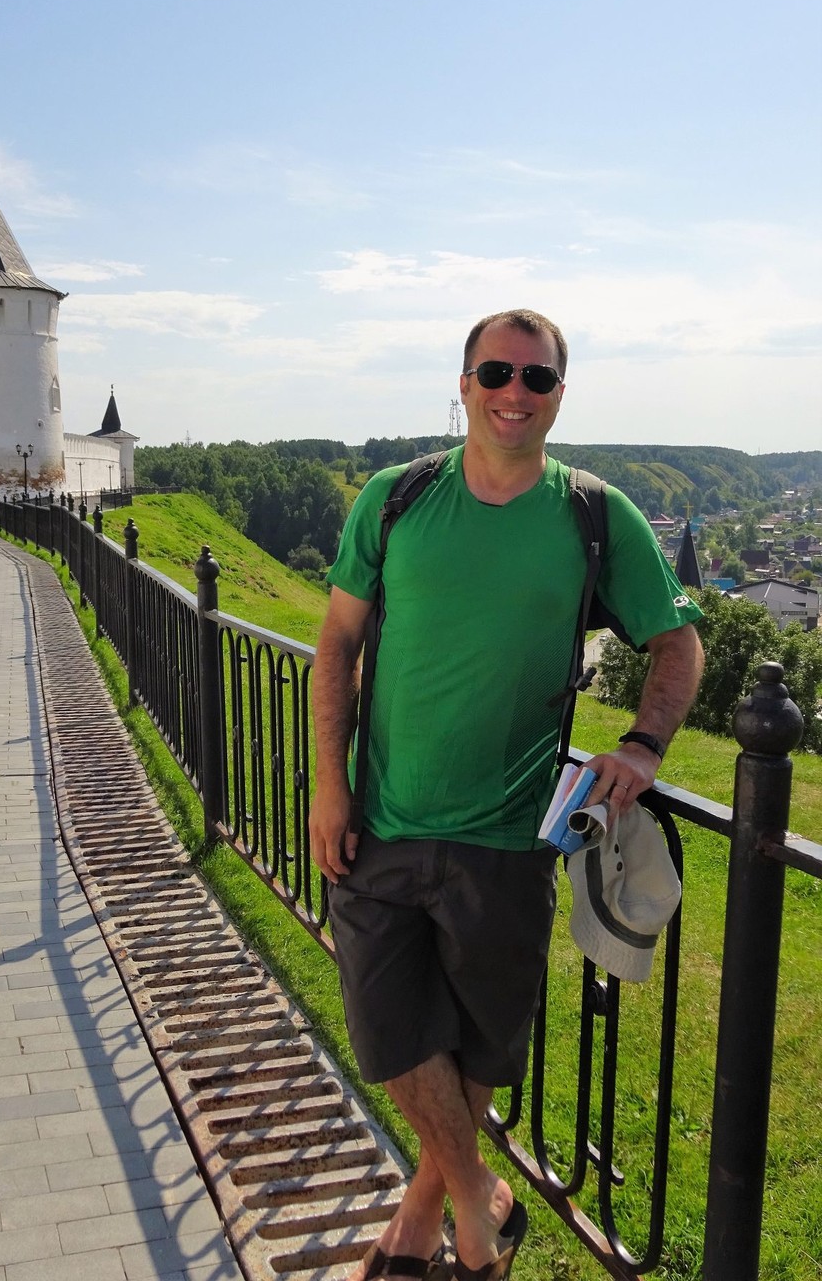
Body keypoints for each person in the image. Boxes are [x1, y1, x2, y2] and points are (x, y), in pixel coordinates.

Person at [309, 309, 704, 1281]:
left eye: (536, 378)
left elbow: (679, 644)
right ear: (464, 383)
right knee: (389, 1032)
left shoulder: (594, 516)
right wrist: (328, 785)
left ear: (560, 394)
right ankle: (478, 1210)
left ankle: (423, 1225)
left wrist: (645, 747)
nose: (514, 393)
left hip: (508, 837)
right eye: (496, 372)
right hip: (382, 822)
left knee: (478, 1050)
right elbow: (336, 647)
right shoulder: (396, 501)